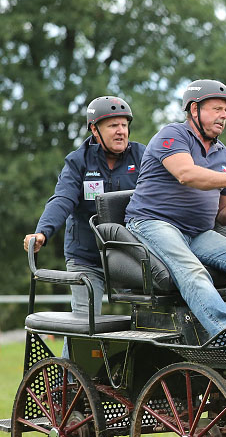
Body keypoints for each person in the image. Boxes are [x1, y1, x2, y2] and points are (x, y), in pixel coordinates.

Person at [124, 79, 226, 339]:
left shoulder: (224, 156)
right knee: (193, 271)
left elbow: (224, 213)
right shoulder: (172, 135)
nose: (224, 115)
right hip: (153, 223)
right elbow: (186, 175)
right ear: (194, 110)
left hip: (197, 232)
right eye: (216, 109)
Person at [23, 96, 144, 315]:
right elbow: (62, 199)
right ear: (95, 130)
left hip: (128, 254)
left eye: (124, 125)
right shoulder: (78, 161)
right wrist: (42, 232)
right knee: (83, 322)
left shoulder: (142, 156)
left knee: (148, 316)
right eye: (113, 125)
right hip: (86, 257)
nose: (121, 131)